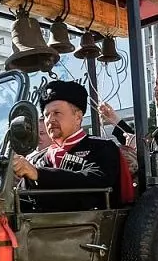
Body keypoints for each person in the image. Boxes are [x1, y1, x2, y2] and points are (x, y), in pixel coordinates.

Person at [12, 80, 134, 212]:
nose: (50, 120)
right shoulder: (38, 159)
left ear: (78, 117)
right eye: (47, 115)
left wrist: (38, 174)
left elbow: (96, 182)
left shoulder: (102, 148)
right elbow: (23, 201)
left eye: (57, 113)